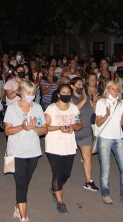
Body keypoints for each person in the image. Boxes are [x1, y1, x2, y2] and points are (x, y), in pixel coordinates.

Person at [4, 80, 48, 222]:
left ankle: (18, 206)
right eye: (29, 93)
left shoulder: (38, 108)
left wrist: (34, 128)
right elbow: (7, 130)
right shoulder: (12, 108)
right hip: (17, 153)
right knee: (21, 183)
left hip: (33, 152)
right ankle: (23, 217)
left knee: (25, 182)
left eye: (33, 92)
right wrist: (22, 127)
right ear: (22, 94)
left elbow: (44, 129)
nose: (32, 95)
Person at [95, 80, 123, 206]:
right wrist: (107, 115)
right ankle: (105, 194)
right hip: (105, 138)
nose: (115, 90)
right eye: (112, 88)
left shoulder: (121, 102)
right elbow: (98, 123)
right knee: (105, 168)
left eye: (117, 88)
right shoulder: (101, 102)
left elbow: (122, 124)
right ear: (107, 89)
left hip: (119, 137)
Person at [45, 83, 82, 213]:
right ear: (59, 94)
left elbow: (79, 124)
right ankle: (60, 202)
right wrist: (59, 127)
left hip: (69, 146)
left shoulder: (74, 108)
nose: (66, 95)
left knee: (66, 174)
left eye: (68, 93)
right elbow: (45, 127)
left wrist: (72, 127)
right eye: (63, 93)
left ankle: (55, 187)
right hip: (54, 145)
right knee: (57, 173)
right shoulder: (51, 108)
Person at [76, 73, 101, 191]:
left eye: (81, 85)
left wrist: (94, 101)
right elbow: (73, 109)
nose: (80, 87)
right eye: (78, 85)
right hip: (71, 132)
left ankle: (88, 181)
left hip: (85, 131)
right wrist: (85, 98)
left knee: (88, 157)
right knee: (66, 160)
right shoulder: (70, 97)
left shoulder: (88, 95)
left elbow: (94, 111)